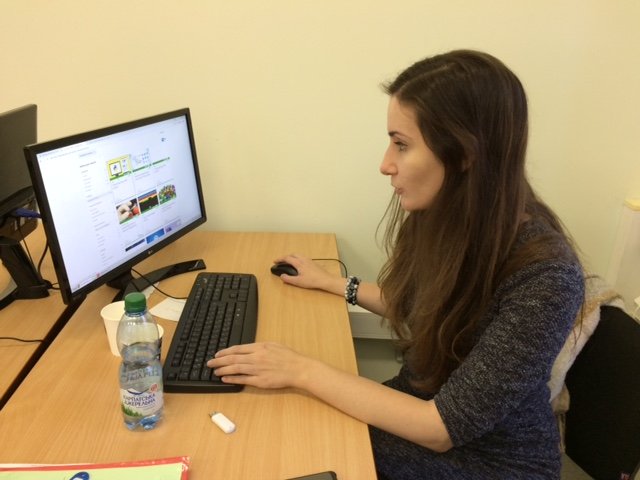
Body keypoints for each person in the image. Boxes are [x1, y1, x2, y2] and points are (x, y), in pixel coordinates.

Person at [208, 50, 585, 479]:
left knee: (295, 441)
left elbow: (440, 428)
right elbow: (426, 306)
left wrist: (300, 369)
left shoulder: (546, 277)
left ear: (465, 154)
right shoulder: (452, 218)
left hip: (487, 461)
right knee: (290, 421)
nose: (386, 164)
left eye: (402, 145)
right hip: (424, 413)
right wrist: (335, 284)